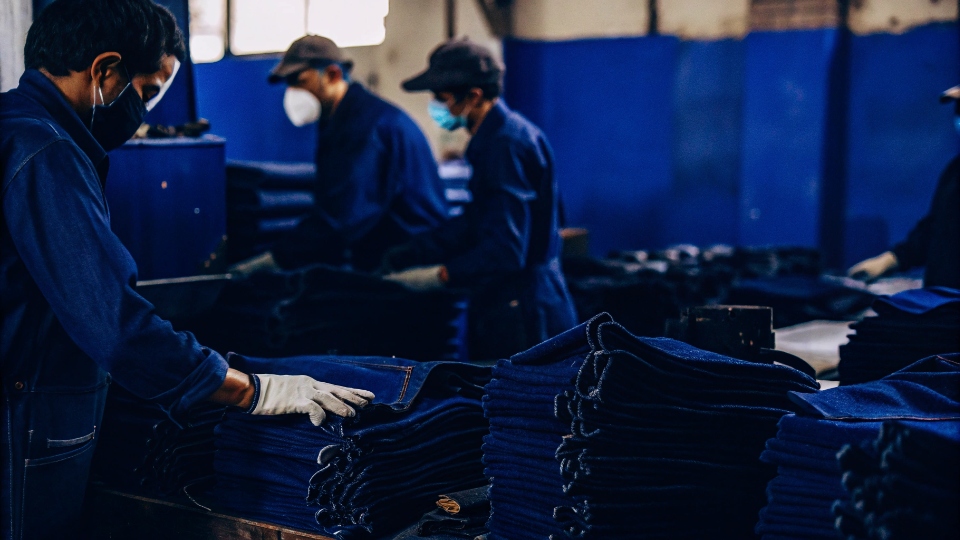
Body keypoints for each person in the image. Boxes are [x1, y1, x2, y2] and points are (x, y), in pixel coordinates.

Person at [0, 3, 374, 538]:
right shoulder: (47, 154)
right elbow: (118, 328)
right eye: (147, 91)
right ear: (106, 71)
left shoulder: (13, 127)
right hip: (25, 422)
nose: (146, 112)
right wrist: (256, 391)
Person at [389, 38, 577, 360]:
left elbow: (504, 250)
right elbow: (483, 217)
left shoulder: (503, 146)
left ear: (474, 96)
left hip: (521, 311)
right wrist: (420, 248)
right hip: (528, 299)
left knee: (521, 404)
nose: (436, 106)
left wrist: (442, 275)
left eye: (442, 98)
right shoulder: (515, 132)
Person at [230, 35, 449, 275]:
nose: (293, 92)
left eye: (300, 81)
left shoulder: (365, 128)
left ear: (333, 75)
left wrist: (274, 260)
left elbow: (342, 216)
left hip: (405, 263)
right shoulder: (342, 120)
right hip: (385, 256)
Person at [848, 85, 960, 289]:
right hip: (942, 306)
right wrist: (892, 259)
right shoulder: (954, 170)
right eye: (959, 109)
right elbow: (935, 228)